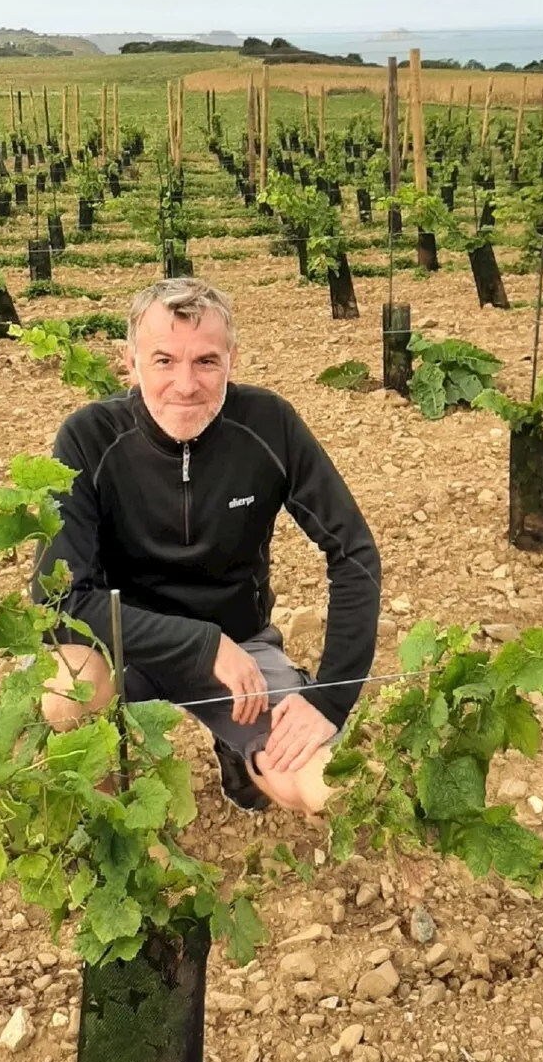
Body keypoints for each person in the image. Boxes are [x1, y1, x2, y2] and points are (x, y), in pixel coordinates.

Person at [32, 277, 381, 816]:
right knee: (66, 697)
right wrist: (202, 644)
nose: (186, 384)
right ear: (131, 362)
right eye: (164, 360)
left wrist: (331, 699)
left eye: (206, 362)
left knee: (317, 788)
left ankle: (240, 751)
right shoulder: (88, 437)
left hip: (244, 651)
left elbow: (353, 552)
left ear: (232, 360)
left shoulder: (269, 426)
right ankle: (111, 825)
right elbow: (61, 600)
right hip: (125, 648)